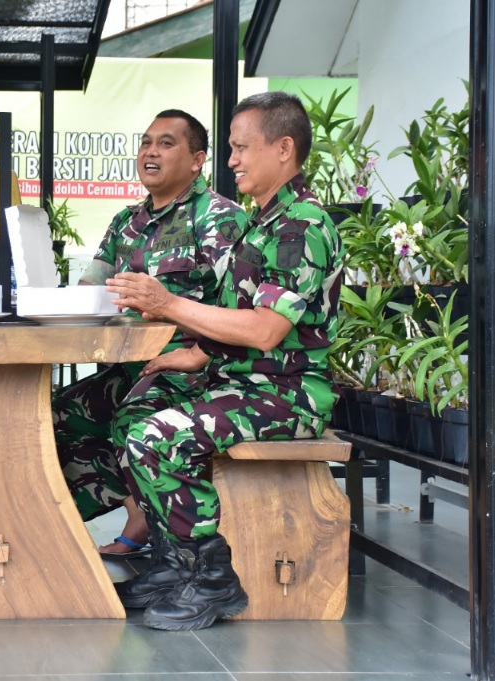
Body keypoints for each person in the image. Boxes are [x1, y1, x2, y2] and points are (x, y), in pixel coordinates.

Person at [101, 91, 344, 631]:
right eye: (229, 148)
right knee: (130, 414)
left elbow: (265, 330)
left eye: (240, 147)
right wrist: (197, 353)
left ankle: (211, 577)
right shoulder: (262, 221)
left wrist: (166, 304)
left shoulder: (300, 226)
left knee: (157, 436)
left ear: (283, 149)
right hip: (237, 380)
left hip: (287, 394)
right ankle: (173, 561)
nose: (231, 159)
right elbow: (241, 315)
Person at [51, 109, 248, 558]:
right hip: (134, 366)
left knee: (131, 419)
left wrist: (200, 350)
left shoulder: (220, 219)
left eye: (165, 143)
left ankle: (170, 546)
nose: (150, 152)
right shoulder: (126, 222)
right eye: (145, 143)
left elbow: (239, 309)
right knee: (60, 418)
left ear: (197, 159)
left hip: (195, 372)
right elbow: (90, 289)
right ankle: (135, 510)